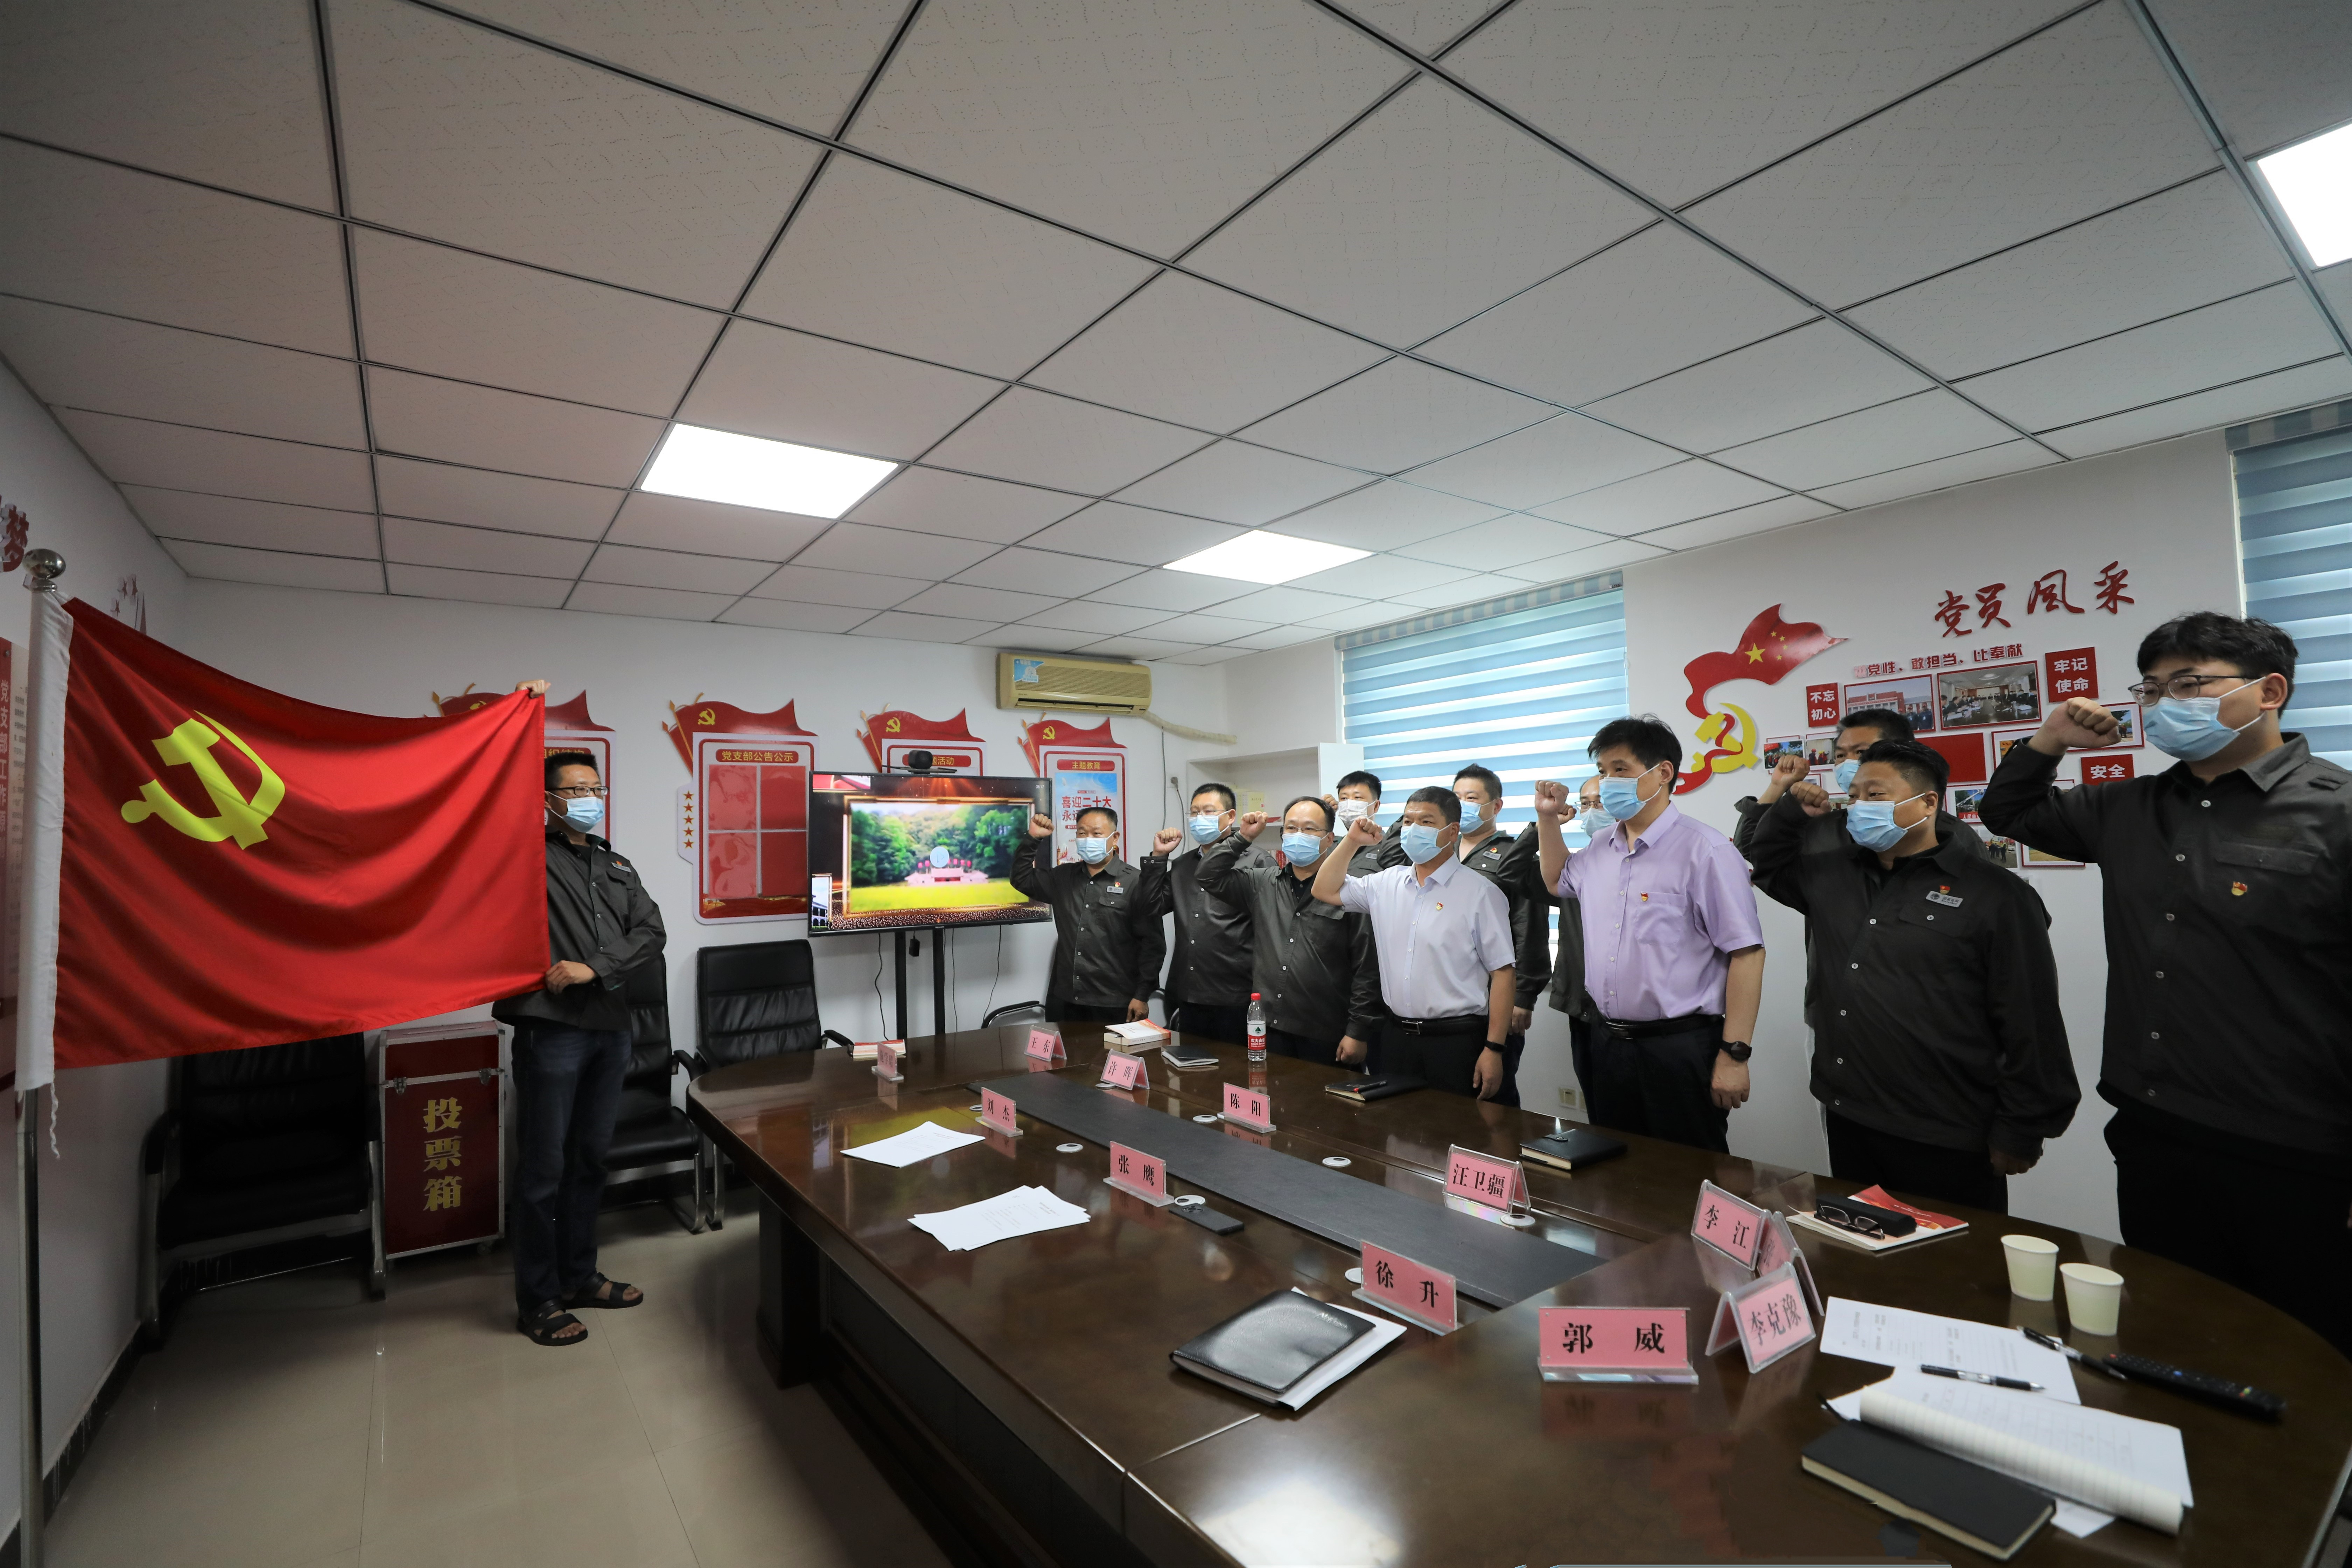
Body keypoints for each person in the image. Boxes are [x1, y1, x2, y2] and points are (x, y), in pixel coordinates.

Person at [1979, 611, 2352, 1352]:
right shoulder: (2128, 806)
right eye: (2152, 689)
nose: (2165, 703)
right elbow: (2008, 811)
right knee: (2172, 1337)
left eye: (2189, 683)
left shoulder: (2337, 811)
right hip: (2155, 1132)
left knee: (2307, 1357)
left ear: (2269, 691)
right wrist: (2051, 738)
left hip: (2298, 1152)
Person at [1749, 738, 2077, 1212]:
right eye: (1854, 796)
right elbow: (1768, 863)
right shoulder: (1833, 874)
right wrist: (1791, 811)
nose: (1860, 806)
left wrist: (2022, 1128)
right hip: (1850, 1113)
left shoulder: (1996, 894)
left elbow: (2030, 1017)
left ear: (1927, 803)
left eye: (1876, 795)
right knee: (1859, 1242)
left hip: (1944, 1129)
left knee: (1951, 1254)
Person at [493, 735, 666, 1348]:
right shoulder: (524, 859)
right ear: (547, 800)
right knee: (544, 1168)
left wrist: (596, 966)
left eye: (596, 789)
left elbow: (651, 931)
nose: (590, 798)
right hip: (553, 1030)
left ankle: (580, 1276)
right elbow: (488, 815)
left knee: (590, 1160)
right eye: (576, 790)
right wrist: (518, 721)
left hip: (610, 1029)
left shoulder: (617, 867)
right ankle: (538, 1299)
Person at [1534, 716, 1765, 1153]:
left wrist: (1735, 1053)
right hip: (1606, 1042)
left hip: (1679, 1047)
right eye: (1603, 771)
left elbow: (1747, 953)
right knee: (1614, 1165)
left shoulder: (1707, 851)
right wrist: (1548, 819)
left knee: (1687, 1168)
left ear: (1663, 773)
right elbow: (1557, 880)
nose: (1607, 783)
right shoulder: (1600, 846)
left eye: (1620, 769)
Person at [1311, 786, 1515, 1098]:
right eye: (1408, 822)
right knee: (1397, 1122)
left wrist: (1494, 1049)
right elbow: (1324, 890)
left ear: (1452, 832)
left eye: (1427, 822)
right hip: (1395, 1037)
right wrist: (1352, 841)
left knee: (1457, 1122)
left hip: (1456, 1041)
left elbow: (1503, 973)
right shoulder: (1385, 883)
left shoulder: (1481, 893)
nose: (1413, 829)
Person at [1198, 797, 1382, 1065]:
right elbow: (1208, 876)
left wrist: (1358, 1031)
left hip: (1326, 1031)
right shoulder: (1263, 882)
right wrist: (1243, 838)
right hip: (1269, 1027)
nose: (1298, 835)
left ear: (1329, 839)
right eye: (1292, 828)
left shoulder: (1349, 893)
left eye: (1309, 829)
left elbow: (1367, 968)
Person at [1444, 764, 1553, 1106]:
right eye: (1456, 799)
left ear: (1496, 806)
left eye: (1471, 798)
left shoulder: (1512, 854)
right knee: (1449, 1096)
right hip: (1452, 994)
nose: (1462, 806)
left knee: (1492, 1092)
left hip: (1498, 994)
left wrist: (1524, 995)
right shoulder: (1440, 851)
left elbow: (1529, 926)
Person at [1010, 805, 1167, 1025]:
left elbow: (1153, 944)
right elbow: (1021, 879)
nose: (1088, 839)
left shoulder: (1136, 882)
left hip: (1115, 1002)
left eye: (1097, 834)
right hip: (1066, 999)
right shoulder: (1063, 877)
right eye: (1082, 834)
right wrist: (1033, 839)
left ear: (1115, 838)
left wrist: (1142, 995)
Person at [1732, 707, 1963, 855]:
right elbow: (1752, 849)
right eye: (1841, 755)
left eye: (1861, 752)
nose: (1849, 763)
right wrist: (1777, 786)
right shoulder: (1827, 827)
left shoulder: (1949, 834)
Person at [1139, 783, 1258, 1045]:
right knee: (1191, 1066)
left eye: (1208, 811)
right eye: (1194, 812)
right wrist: (1158, 857)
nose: (1199, 818)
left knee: (1236, 1066)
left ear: (1230, 817)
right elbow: (1150, 907)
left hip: (1237, 993)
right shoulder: (1183, 865)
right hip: (1189, 991)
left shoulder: (1255, 862)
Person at [1542, 778, 1607, 1062]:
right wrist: (1547, 823)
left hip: (1643, 1016)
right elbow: (1513, 871)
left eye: (1600, 803)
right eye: (1585, 804)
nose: (1592, 811)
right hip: (1583, 1005)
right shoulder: (1576, 866)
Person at [1329, 770, 1388, 875]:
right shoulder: (1331, 846)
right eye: (1344, 798)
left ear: (1376, 806)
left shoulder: (1388, 848)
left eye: (1357, 798)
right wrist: (1324, 815)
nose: (1349, 804)